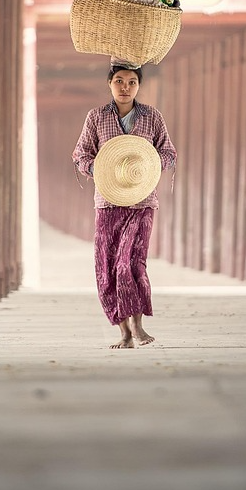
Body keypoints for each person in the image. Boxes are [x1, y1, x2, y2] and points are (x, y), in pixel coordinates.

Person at [72, 63, 177, 348]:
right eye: (119, 81)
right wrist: (101, 170)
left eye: (131, 82)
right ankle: (124, 332)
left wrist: (151, 167)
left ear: (139, 86)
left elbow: (167, 151)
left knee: (131, 263)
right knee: (106, 266)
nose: (125, 87)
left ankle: (138, 325)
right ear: (109, 83)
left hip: (142, 201)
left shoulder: (152, 117)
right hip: (107, 202)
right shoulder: (96, 117)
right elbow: (81, 154)